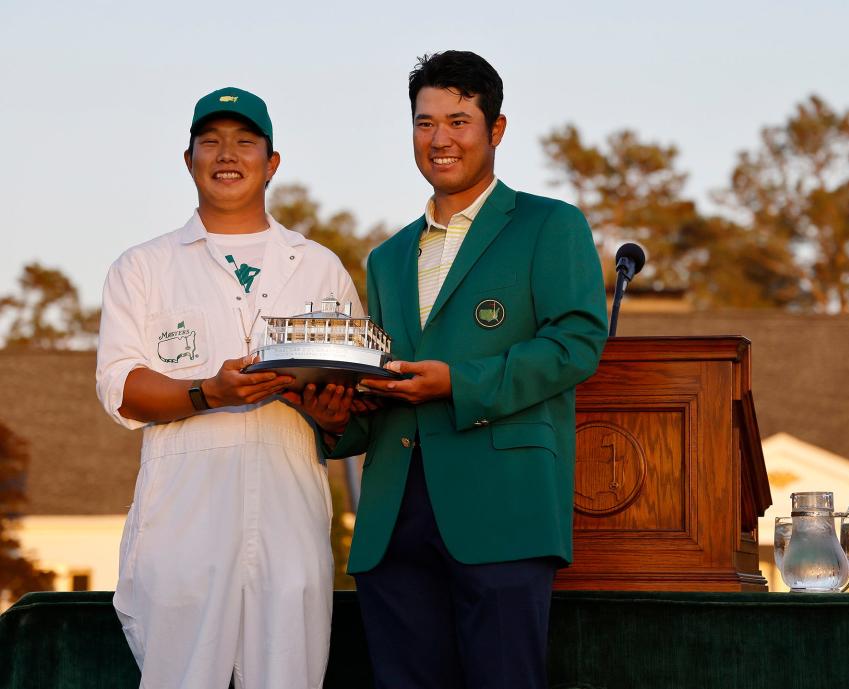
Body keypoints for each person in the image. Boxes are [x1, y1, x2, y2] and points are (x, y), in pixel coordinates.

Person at [305, 51, 608, 689]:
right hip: (393, 520)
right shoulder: (386, 258)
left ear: (496, 130)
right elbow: (386, 383)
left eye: (459, 120)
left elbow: (578, 341)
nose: (439, 139)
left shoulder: (550, 225)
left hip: (504, 509)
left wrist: (458, 382)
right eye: (423, 123)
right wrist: (337, 422)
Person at [95, 86, 360, 689]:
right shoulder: (142, 267)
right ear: (187, 160)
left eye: (245, 141)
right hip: (183, 529)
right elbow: (121, 386)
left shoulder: (319, 267)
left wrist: (332, 412)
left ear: (272, 163)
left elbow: (349, 394)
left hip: (291, 523)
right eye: (209, 141)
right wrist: (207, 394)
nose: (226, 154)